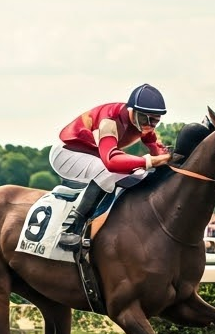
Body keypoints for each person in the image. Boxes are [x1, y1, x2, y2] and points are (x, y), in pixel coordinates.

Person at [48, 83, 173, 250]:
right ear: (133, 111)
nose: (149, 125)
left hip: (91, 154)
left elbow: (155, 147)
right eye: (146, 119)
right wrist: (149, 161)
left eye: (155, 120)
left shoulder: (143, 123)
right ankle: (71, 229)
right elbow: (111, 161)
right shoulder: (110, 120)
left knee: (138, 175)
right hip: (66, 153)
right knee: (107, 172)